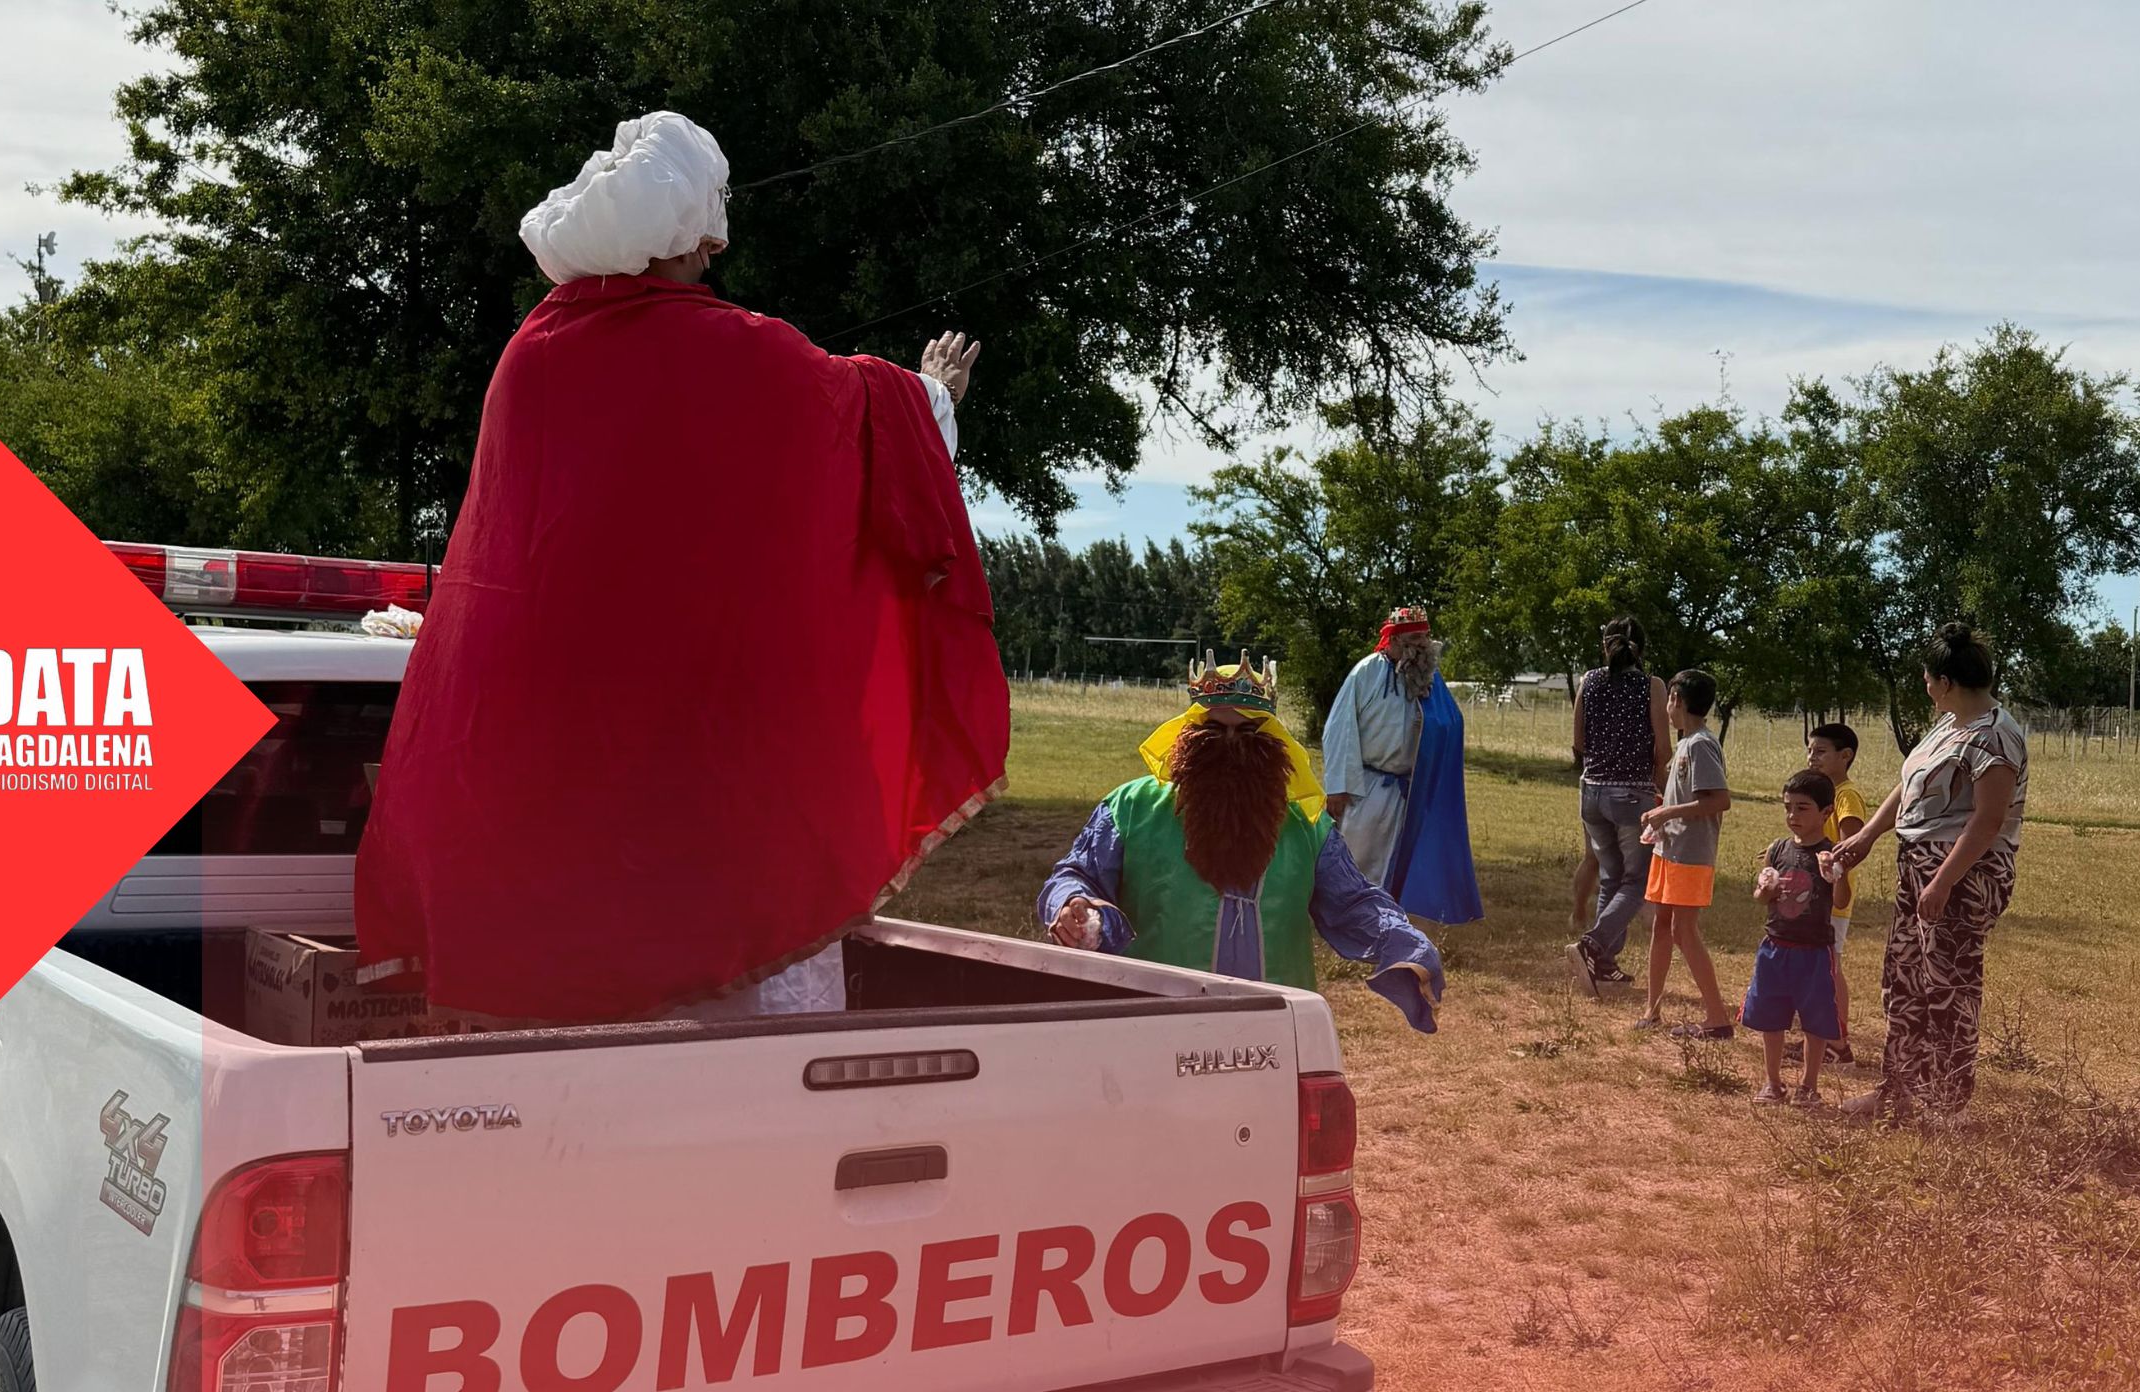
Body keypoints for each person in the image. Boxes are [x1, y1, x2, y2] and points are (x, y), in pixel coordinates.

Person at [356, 111, 1010, 1025]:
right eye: (707, 227)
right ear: (679, 235)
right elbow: (850, 424)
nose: (715, 249)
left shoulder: (530, 358)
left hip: (547, 773)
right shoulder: (733, 351)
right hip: (703, 766)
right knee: (741, 1024)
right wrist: (934, 393)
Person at [1038, 655, 1444, 1033]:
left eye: (1248, 733)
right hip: (1155, 1025)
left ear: (1272, 742)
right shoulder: (1132, 808)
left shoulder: (1305, 827)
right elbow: (1077, 874)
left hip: (1274, 1032)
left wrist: (1400, 938)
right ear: (1188, 737)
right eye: (1214, 731)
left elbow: (1353, 902)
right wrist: (1072, 904)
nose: (1231, 743)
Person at [1830, 624, 2028, 1123]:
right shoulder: (1947, 725)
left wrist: (1943, 882)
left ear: (1946, 682)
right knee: (1904, 979)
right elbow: (1908, 786)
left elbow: (1987, 821)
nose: (1925, 686)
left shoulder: (1995, 734)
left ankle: (1945, 1104)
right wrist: (1867, 836)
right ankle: (1897, 1091)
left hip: (1963, 874)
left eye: (1927, 678)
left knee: (1948, 987)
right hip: (1918, 866)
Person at [1320, 607, 1483, 924]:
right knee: (1358, 860)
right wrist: (1338, 787)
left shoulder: (1427, 677)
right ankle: (1345, 923)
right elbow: (1340, 728)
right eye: (1414, 638)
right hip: (1367, 787)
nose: (1422, 644)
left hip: (1410, 790)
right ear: (1393, 641)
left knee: (1399, 863)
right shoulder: (1367, 671)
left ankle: (1387, 926)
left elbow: (1449, 722)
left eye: (1425, 637)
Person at [1568, 617, 1672, 995]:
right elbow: (1663, 749)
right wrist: (1657, 785)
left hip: (1592, 792)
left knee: (1612, 878)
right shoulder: (1652, 686)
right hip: (1632, 795)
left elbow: (1578, 742)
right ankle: (1593, 944)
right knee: (1638, 882)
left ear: (1605, 645)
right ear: (1641, 649)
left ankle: (1603, 965)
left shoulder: (1589, 681)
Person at [1742, 770, 1847, 1106]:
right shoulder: (1778, 849)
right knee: (1770, 1017)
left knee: (1815, 1020)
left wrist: (1835, 874)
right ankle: (1773, 1082)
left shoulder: (1832, 853)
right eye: (1787, 807)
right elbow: (1760, 896)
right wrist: (1766, 890)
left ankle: (1808, 1086)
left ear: (1826, 812)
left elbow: (1842, 901)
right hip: (1775, 946)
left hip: (1814, 951)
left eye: (1802, 808)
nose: (1792, 816)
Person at [1640, 669, 1735, 1039]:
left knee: (1684, 930)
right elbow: (1690, 798)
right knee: (1662, 925)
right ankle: (1652, 1009)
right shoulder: (1686, 743)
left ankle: (1717, 1018)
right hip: (1670, 849)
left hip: (1691, 855)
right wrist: (1663, 811)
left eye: (1669, 699)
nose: (1667, 708)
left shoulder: (1700, 745)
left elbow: (1719, 800)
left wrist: (1667, 813)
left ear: (1676, 699)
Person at [1799, 722, 1867, 1065]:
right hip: (1814, 896)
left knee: (1829, 968)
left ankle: (1838, 1044)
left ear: (1846, 756)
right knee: (1818, 968)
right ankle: (1820, 1039)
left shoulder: (1845, 795)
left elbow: (1850, 847)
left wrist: (1829, 870)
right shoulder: (1826, 793)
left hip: (1832, 899)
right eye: (1810, 750)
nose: (1812, 757)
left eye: (1821, 751)